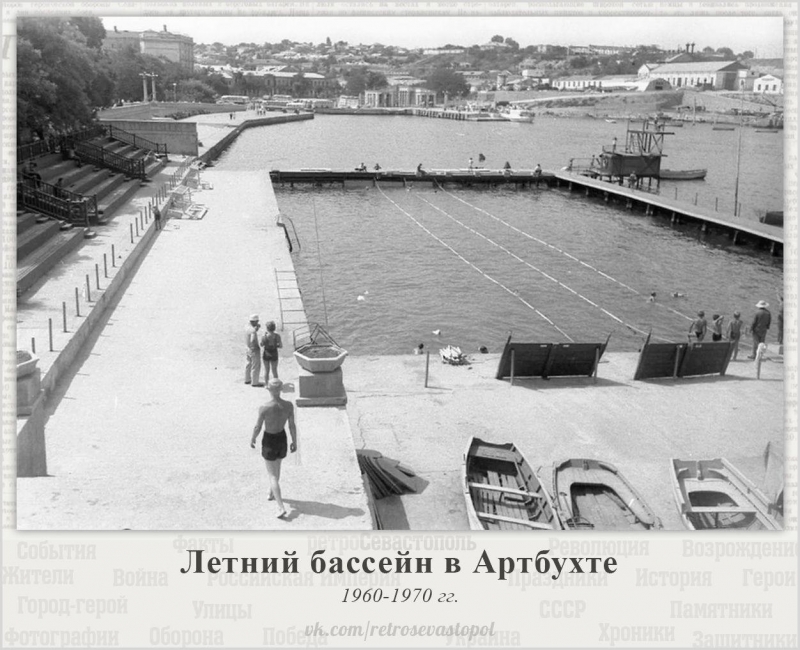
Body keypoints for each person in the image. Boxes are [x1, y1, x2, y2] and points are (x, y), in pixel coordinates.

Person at [250, 379, 297, 519]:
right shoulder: (288, 406)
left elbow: (258, 426)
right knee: (277, 469)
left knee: (272, 475)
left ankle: (280, 506)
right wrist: (294, 441)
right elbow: (292, 426)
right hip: (282, 437)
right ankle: (272, 492)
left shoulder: (264, 407)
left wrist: (253, 437)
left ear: (269, 390)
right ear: (281, 389)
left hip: (269, 439)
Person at [245, 314, 262, 386]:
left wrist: (256, 329)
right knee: (256, 366)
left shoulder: (247, 327)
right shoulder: (252, 331)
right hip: (253, 349)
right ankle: (255, 382)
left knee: (248, 364)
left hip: (247, 348)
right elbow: (252, 339)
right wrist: (256, 347)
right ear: (255, 321)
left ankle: (247, 379)